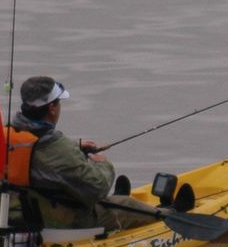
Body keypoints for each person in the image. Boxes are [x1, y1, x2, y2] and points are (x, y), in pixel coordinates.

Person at [8, 75, 153, 231]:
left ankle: (115, 200)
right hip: (62, 221)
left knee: (103, 197)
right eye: (59, 102)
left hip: (18, 215)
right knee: (127, 206)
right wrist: (103, 164)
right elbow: (99, 187)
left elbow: (38, 154)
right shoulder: (57, 148)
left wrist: (74, 146)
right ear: (52, 108)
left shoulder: (9, 136)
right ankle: (172, 213)